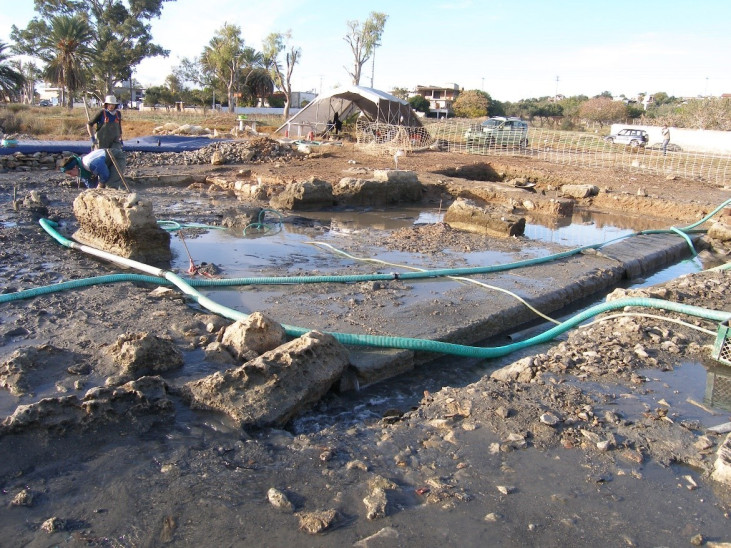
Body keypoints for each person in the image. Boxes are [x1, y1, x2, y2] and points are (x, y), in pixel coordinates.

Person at [88, 94, 125, 187]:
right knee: (102, 161)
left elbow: (119, 127)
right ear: (106, 104)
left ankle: (113, 183)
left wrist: (121, 139)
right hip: (102, 141)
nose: (111, 106)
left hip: (114, 141)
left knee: (117, 159)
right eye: (109, 104)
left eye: (113, 104)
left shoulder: (118, 114)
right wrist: (92, 139)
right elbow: (89, 125)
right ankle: (100, 183)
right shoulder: (102, 113)